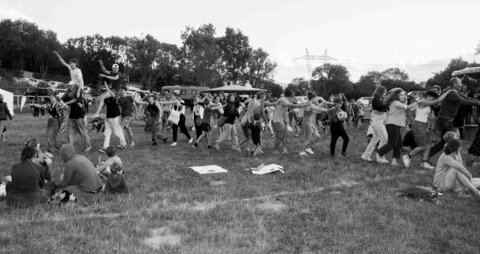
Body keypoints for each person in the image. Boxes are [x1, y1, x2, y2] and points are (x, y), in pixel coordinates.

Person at [427, 77, 480, 166]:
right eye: (459, 83)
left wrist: (478, 101)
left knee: (444, 141)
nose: (461, 85)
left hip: (446, 119)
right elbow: (462, 101)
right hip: (445, 119)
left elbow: (465, 97)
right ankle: (458, 162)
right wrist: (478, 103)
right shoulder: (452, 93)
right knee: (455, 140)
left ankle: (427, 156)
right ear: (455, 84)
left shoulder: (454, 92)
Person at [404, 90, 448, 169]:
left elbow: (429, 117)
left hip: (424, 125)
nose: (433, 100)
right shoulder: (422, 102)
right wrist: (447, 92)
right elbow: (437, 101)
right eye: (432, 98)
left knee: (428, 144)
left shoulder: (426, 105)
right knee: (423, 145)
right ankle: (408, 156)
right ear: (428, 96)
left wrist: (431, 117)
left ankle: (424, 163)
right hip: (418, 125)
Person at [376, 88, 418, 166]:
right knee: (392, 143)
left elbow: (407, 108)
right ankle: (379, 154)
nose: (403, 96)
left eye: (404, 95)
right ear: (396, 95)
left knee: (398, 144)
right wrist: (418, 102)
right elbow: (407, 107)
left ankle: (394, 161)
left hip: (395, 125)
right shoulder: (395, 102)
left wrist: (408, 101)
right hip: (391, 124)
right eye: (401, 95)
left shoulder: (399, 102)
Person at [270, 88, 309, 154]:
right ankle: (275, 150)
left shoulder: (282, 99)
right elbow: (293, 105)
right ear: (290, 95)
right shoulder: (284, 100)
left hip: (280, 121)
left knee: (285, 135)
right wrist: (304, 104)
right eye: (293, 95)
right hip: (276, 121)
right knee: (280, 137)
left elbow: (289, 105)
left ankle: (284, 149)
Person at [96, 84, 127, 153]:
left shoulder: (114, 96)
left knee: (117, 133)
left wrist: (107, 88)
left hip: (115, 117)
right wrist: (99, 113)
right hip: (108, 117)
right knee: (107, 133)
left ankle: (123, 144)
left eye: (105, 90)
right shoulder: (106, 98)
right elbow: (101, 103)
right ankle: (105, 148)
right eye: (103, 91)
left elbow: (113, 95)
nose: (104, 92)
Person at [361, 86, 388, 162]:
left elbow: (383, 109)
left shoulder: (379, 99)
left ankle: (366, 155)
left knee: (375, 139)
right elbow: (381, 108)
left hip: (378, 121)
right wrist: (386, 104)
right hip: (377, 121)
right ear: (380, 92)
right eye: (384, 92)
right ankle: (379, 157)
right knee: (384, 138)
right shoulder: (375, 100)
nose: (385, 94)